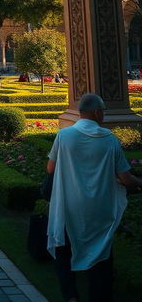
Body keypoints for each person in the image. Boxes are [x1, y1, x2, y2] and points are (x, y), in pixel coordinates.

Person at [46, 93, 142, 302]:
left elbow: (50, 167)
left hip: (68, 205)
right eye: (104, 111)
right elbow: (125, 178)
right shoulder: (109, 139)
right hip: (99, 208)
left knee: (64, 253)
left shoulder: (64, 136)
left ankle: (71, 296)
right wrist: (138, 183)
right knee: (100, 257)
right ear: (98, 112)